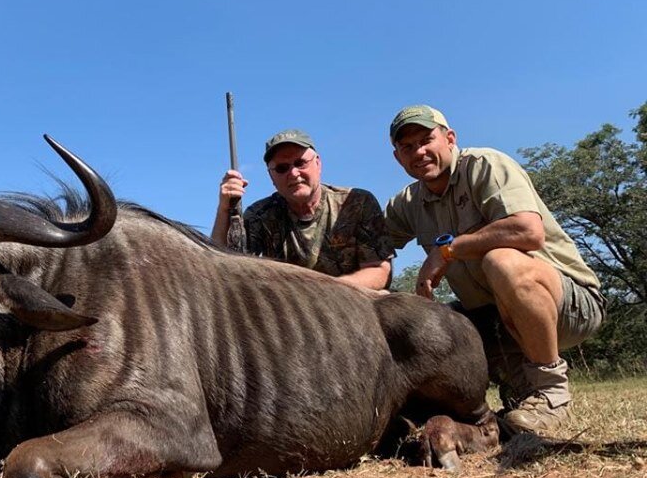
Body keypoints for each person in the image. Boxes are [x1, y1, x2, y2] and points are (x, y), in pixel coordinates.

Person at [385, 105, 605, 435]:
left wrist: (446, 250)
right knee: (427, 327)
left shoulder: (484, 164)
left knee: (501, 261)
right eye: (407, 147)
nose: (419, 151)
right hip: (495, 320)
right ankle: (516, 391)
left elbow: (528, 231)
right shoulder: (407, 202)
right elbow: (369, 246)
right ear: (398, 157)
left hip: (569, 305)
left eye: (426, 139)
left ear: (449, 138)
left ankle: (551, 391)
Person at [211, 129, 393, 290]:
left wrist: (325, 292)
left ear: (318, 163)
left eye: (300, 163)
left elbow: (378, 270)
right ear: (271, 177)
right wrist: (224, 208)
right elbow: (222, 266)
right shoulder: (260, 215)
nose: (293, 173)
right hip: (294, 318)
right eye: (282, 168)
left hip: (349, 306)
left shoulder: (357, 202)